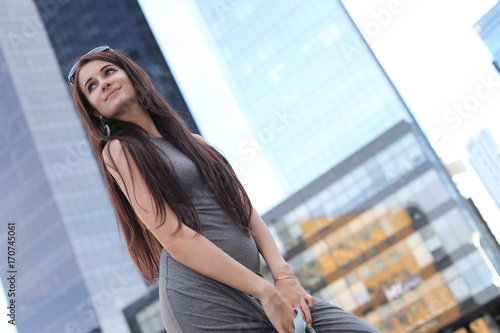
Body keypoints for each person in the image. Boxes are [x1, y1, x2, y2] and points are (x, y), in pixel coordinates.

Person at [68, 46, 381, 333]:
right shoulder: (120, 151)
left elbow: (246, 212)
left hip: (257, 289)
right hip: (203, 301)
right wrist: (264, 291)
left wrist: (283, 277)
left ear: (132, 77)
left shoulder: (196, 143)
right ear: (95, 112)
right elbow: (174, 238)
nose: (103, 83)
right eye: (91, 86)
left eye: (108, 72)